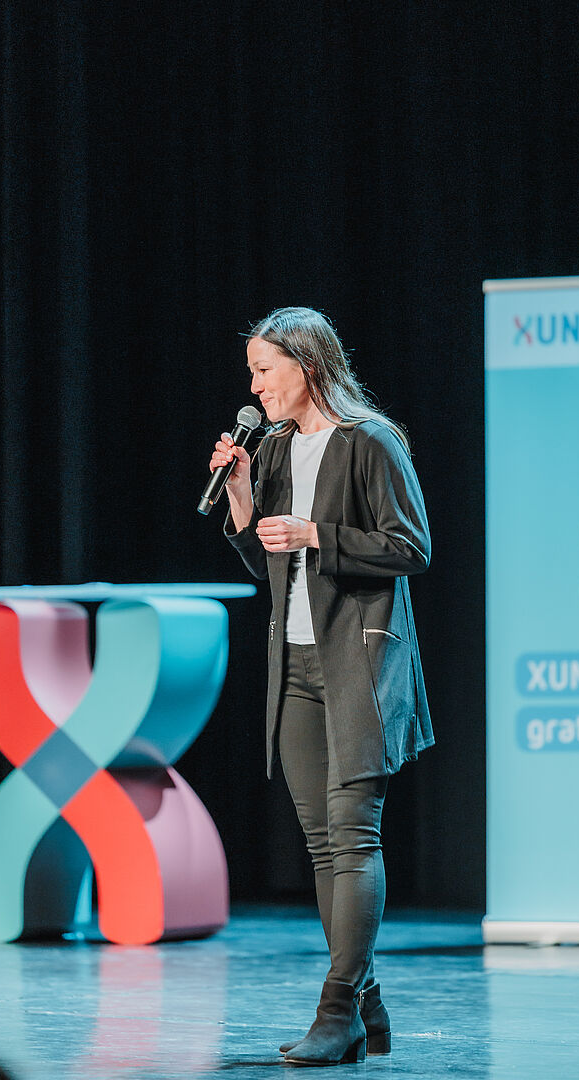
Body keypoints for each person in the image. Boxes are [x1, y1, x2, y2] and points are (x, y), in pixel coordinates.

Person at [211, 307, 433, 1066]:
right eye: (251, 372)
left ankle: (337, 1010)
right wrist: (244, 498)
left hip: (359, 663)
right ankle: (365, 1006)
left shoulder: (370, 440)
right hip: (296, 663)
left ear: (305, 365)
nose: (255, 386)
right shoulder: (273, 447)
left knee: (353, 834)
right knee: (320, 842)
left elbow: (411, 546)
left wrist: (316, 534)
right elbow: (269, 566)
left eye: (263, 369)